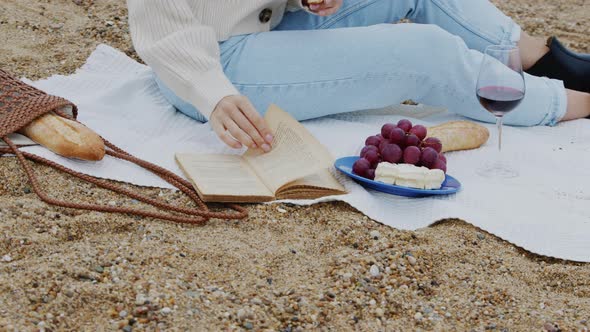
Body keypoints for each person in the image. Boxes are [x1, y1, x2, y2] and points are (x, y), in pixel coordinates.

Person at [127, 0, 590, 152]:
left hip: (262, 25)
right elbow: (159, 21)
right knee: (421, 53)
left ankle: (535, 59)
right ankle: (571, 102)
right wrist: (211, 92)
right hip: (210, 66)